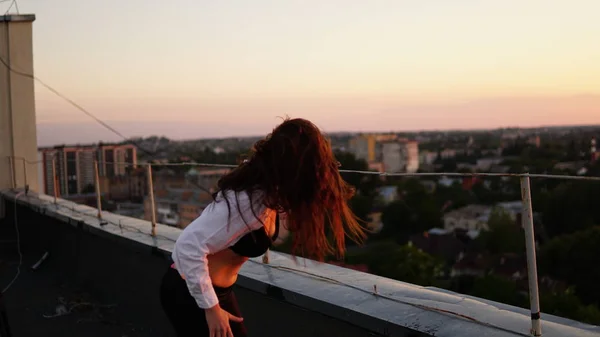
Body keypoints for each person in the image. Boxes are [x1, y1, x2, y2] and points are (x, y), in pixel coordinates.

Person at [159, 117, 366, 337]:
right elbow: (188, 246)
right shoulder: (248, 200)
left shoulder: (270, 190)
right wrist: (211, 309)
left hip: (217, 293)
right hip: (190, 293)